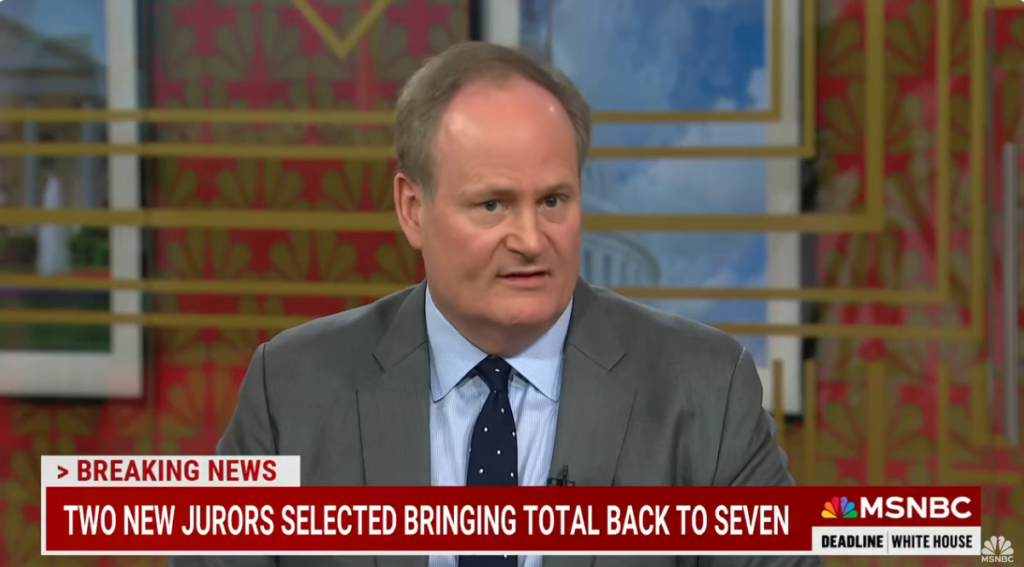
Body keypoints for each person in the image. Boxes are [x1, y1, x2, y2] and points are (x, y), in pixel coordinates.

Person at [174, 42, 819, 567]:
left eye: (553, 201)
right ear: (412, 208)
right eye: (493, 205)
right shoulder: (293, 389)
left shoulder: (705, 390)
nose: (531, 239)